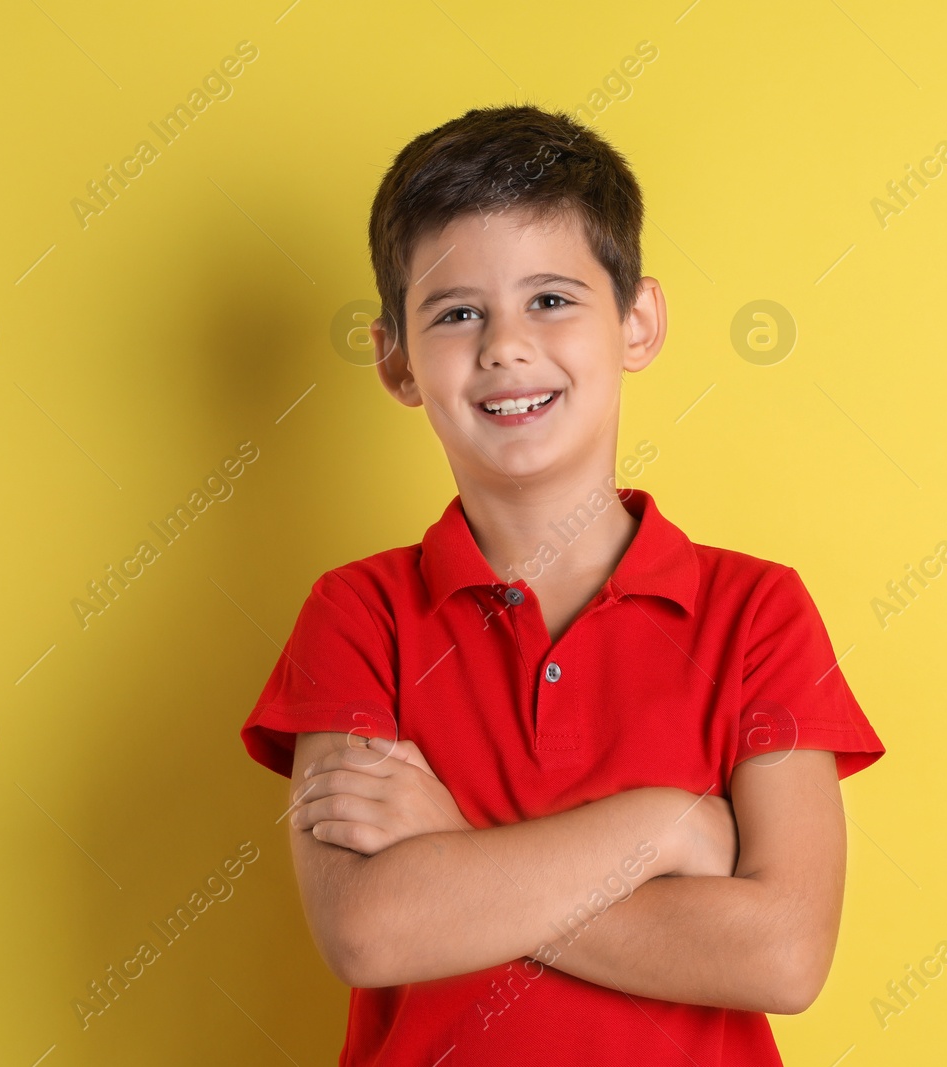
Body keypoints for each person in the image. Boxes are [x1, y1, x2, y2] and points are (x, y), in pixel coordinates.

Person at [239, 103, 885, 1065]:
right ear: (396, 359)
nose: (505, 345)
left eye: (550, 299)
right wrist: (662, 824)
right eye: (457, 312)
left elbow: (783, 954)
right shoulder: (356, 615)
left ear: (636, 321)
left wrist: (452, 843)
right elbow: (371, 932)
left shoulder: (758, 612)